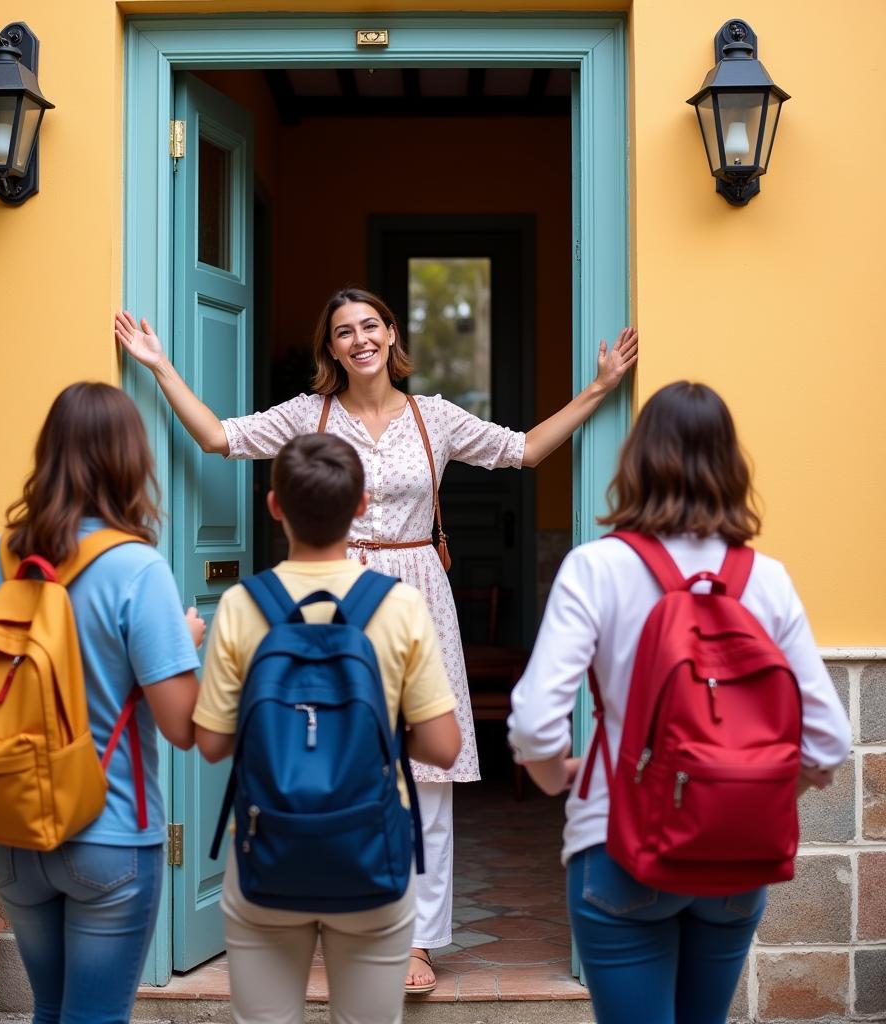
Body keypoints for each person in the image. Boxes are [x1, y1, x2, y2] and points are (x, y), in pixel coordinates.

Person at [115, 287, 638, 992]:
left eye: (370, 325)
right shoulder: (310, 414)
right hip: (327, 594)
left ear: (393, 334)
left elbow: (523, 451)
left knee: (429, 771)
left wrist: (600, 390)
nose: (359, 339)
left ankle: (419, 942)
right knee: (328, 746)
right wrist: (159, 366)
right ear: (329, 349)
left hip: (418, 594)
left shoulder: (436, 417)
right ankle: (329, 908)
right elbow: (220, 438)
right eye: (343, 331)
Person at [507, 381, 851, 1024]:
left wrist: (558, 778)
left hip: (616, 838)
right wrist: (742, 788)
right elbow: (828, 740)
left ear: (637, 461)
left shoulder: (596, 568)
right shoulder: (767, 579)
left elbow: (533, 723)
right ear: (731, 466)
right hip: (736, 855)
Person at [0, 382, 206, 1024]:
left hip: (14, 832)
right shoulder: (137, 568)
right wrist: (188, 643)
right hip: (111, 834)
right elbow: (183, 726)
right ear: (130, 460)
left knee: (51, 1011)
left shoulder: (2, 557)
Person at [193, 432, 461, 1024]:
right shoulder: (398, 605)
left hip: (267, 848)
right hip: (370, 849)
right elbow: (443, 748)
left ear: (273, 506)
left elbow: (211, 744)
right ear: (363, 504)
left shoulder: (242, 605)